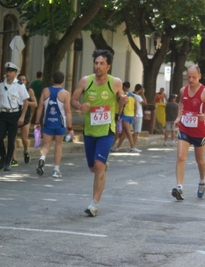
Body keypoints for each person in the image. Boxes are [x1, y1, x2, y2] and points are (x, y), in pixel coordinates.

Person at [71, 49, 127, 216]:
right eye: (96, 63)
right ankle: (101, 166)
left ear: (108, 66)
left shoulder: (115, 82)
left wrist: (122, 100)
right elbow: (73, 100)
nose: (98, 66)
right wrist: (80, 106)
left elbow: (120, 98)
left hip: (106, 130)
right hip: (89, 130)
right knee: (92, 168)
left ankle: (94, 204)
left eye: (102, 63)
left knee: (98, 165)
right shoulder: (85, 81)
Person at [171, 65, 205, 201]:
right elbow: (181, 104)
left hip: (199, 131)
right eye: (189, 77)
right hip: (185, 128)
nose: (191, 80)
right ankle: (179, 187)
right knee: (180, 157)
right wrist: (179, 117)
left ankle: (202, 181)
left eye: (194, 77)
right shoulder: (183, 90)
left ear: (199, 77)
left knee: (200, 160)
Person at [0, 62, 29, 171]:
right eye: (7, 71)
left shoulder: (20, 86)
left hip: (14, 114)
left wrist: (22, 117)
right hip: (3, 114)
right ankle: (3, 157)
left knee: (11, 139)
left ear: (15, 73)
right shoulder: (1, 85)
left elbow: (25, 102)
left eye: (10, 71)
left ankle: (8, 161)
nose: (8, 73)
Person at [34, 71, 73, 178]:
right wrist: (70, 128)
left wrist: (37, 122)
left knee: (46, 144)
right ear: (63, 80)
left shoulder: (45, 91)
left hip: (48, 122)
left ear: (52, 79)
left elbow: (40, 107)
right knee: (58, 145)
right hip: (59, 124)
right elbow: (68, 111)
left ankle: (42, 158)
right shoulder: (65, 93)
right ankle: (56, 170)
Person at [11, 74, 37, 166]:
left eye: (24, 80)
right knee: (12, 138)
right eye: (20, 80)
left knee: (24, 139)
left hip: (25, 116)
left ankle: (25, 151)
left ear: (26, 81)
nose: (22, 81)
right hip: (15, 115)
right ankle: (14, 159)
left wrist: (26, 102)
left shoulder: (29, 91)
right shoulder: (13, 90)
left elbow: (35, 104)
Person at [113, 81, 141, 152]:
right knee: (124, 133)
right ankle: (117, 147)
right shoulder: (132, 95)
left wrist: (119, 115)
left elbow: (121, 106)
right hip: (131, 116)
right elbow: (136, 107)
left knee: (127, 132)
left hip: (124, 115)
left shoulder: (123, 96)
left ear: (124, 87)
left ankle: (132, 147)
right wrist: (134, 116)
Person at [110, 82, 128, 151]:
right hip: (114, 113)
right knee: (115, 130)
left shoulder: (120, 95)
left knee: (116, 131)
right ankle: (112, 144)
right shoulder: (115, 94)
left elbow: (121, 106)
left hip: (116, 114)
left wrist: (119, 115)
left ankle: (113, 144)